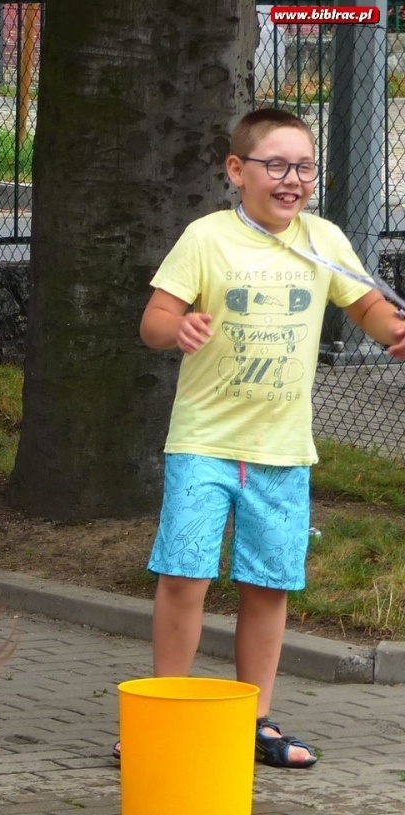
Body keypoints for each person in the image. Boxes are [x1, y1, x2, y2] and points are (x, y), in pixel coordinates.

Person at [135, 108, 405, 768]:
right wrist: (179, 330)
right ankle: (162, 716)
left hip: (283, 451)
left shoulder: (323, 241)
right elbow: (154, 318)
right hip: (204, 442)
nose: (293, 180)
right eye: (277, 165)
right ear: (237, 171)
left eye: (305, 167)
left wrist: (393, 333)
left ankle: (254, 720)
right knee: (184, 575)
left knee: (268, 584)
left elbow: (365, 304)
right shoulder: (207, 238)